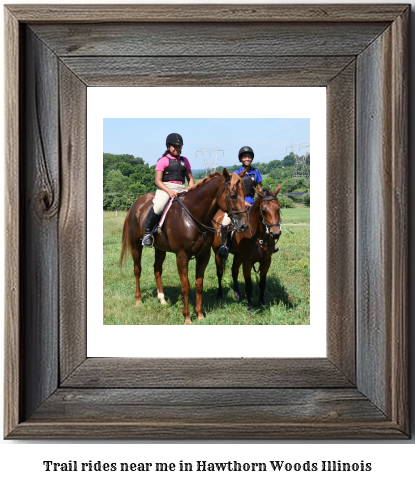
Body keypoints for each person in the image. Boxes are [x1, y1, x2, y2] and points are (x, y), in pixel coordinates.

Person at [142, 133, 195, 247]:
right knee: (159, 206)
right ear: (168, 147)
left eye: (179, 146)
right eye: (174, 146)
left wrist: (191, 189)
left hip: (181, 188)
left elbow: (190, 178)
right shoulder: (163, 160)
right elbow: (158, 181)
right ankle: (147, 234)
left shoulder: (185, 160)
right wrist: (169, 191)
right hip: (165, 188)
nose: (177, 148)